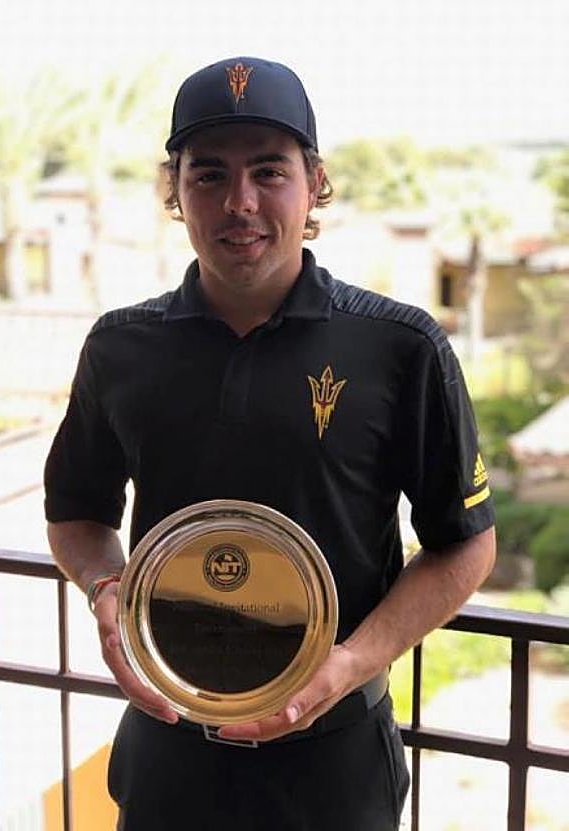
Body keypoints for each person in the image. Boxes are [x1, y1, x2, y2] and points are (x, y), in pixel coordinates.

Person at [44, 56, 496, 831]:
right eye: (209, 174)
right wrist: (105, 587)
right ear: (174, 190)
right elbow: (76, 513)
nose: (240, 202)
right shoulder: (120, 347)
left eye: (269, 171)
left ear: (314, 183)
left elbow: (465, 543)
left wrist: (351, 661)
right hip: (169, 751)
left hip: (333, 764)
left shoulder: (399, 346)